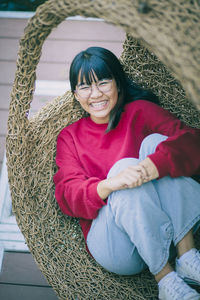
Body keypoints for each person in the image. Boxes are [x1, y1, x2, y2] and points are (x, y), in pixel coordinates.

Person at [53, 47, 200, 300]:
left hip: (166, 228)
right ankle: (165, 279)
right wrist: (111, 184)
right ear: (76, 94)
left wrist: (155, 165)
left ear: (118, 84)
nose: (96, 94)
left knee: (155, 143)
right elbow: (67, 194)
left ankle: (187, 256)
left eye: (103, 82)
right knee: (123, 170)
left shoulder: (140, 111)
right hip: (117, 247)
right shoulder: (70, 137)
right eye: (85, 87)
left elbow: (193, 142)